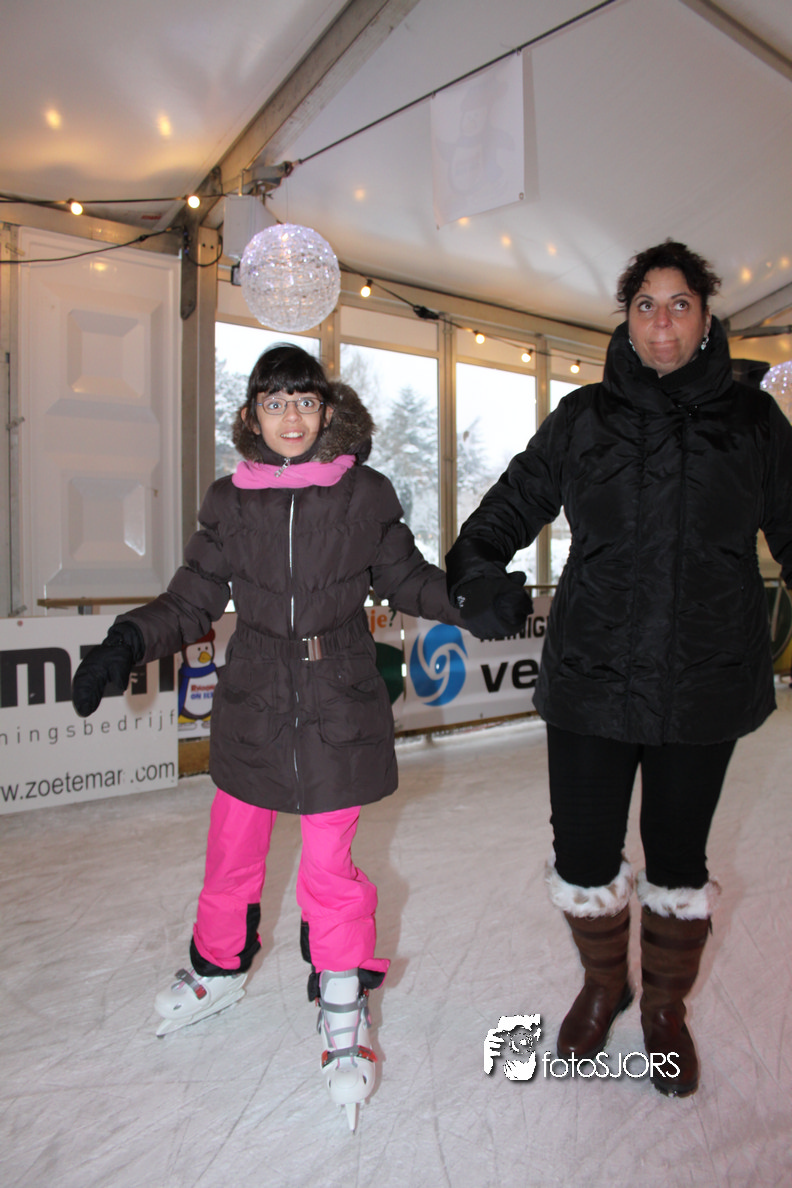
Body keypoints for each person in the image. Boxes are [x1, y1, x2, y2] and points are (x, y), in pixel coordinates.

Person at [72, 343, 461, 1131]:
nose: (291, 416)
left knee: (329, 865)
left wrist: (472, 598)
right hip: (253, 695)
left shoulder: (363, 493)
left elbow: (407, 579)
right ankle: (218, 968)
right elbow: (190, 600)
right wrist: (126, 641)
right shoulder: (230, 502)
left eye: (304, 401)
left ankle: (342, 995)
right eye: (275, 402)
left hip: (337, 695)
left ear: (326, 410)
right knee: (232, 850)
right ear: (253, 415)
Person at [446, 240, 792, 1097]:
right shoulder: (583, 417)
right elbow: (504, 511)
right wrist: (477, 572)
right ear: (626, 319)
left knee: (678, 860)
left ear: (706, 318)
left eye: (680, 304)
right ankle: (606, 985)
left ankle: (665, 1008)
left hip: (704, 679)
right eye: (645, 304)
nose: (662, 321)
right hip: (592, 678)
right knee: (583, 854)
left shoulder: (755, 424)